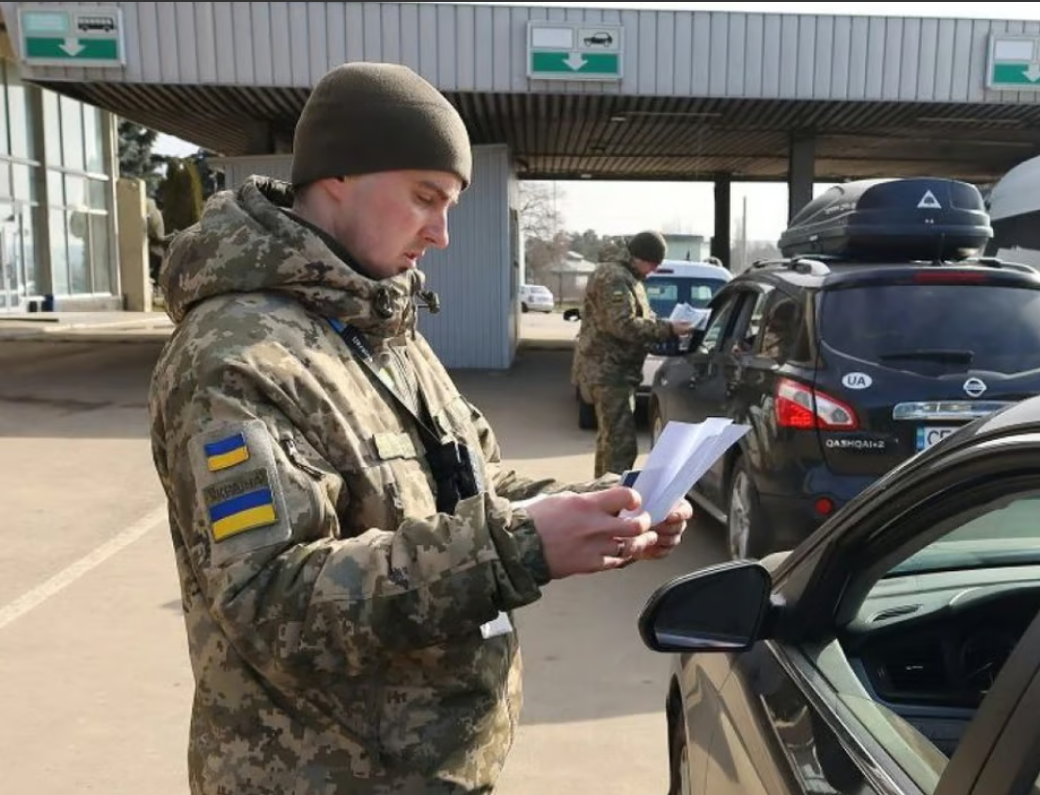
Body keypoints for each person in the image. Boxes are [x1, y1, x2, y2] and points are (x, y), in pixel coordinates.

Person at [146, 60, 693, 795]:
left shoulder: (378, 324)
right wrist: (519, 545)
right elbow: (270, 601)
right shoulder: (236, 354)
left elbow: (471, 479)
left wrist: (601, 506)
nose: (440, 234)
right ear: (339, 174)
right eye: (425, 197)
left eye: (451, 204)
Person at [571, 231, 695, 478]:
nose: (654, 270)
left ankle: (602, 492)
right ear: (641, 257)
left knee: (610, 442)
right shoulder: (613, 277)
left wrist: (664, 326)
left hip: (617, 370)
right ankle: (615, 496)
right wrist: (668, 329)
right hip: (608, 371)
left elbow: (640, 317)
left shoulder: (629, 277)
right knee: (621, 446)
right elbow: (622, 325)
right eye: (654, 264)